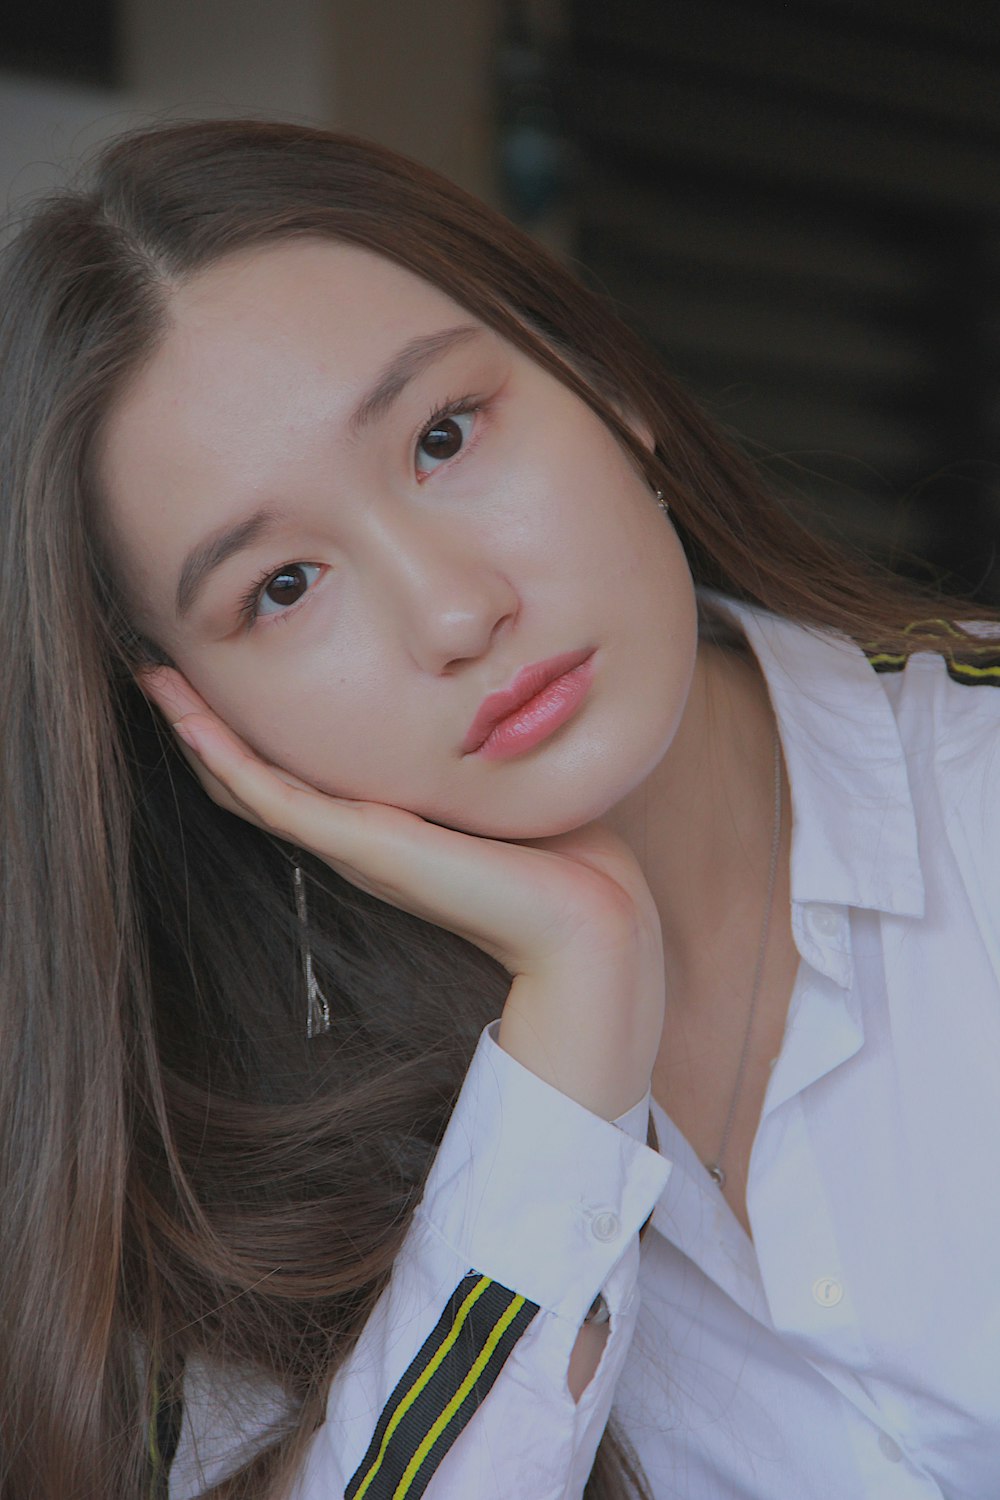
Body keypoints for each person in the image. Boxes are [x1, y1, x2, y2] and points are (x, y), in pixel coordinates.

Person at [1, 118, 999, 1500]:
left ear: (597, 374)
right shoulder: (235, 1184)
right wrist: (567, 1056)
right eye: (283, 587)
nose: (459, 610)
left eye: (444, 435)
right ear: (191, 713)